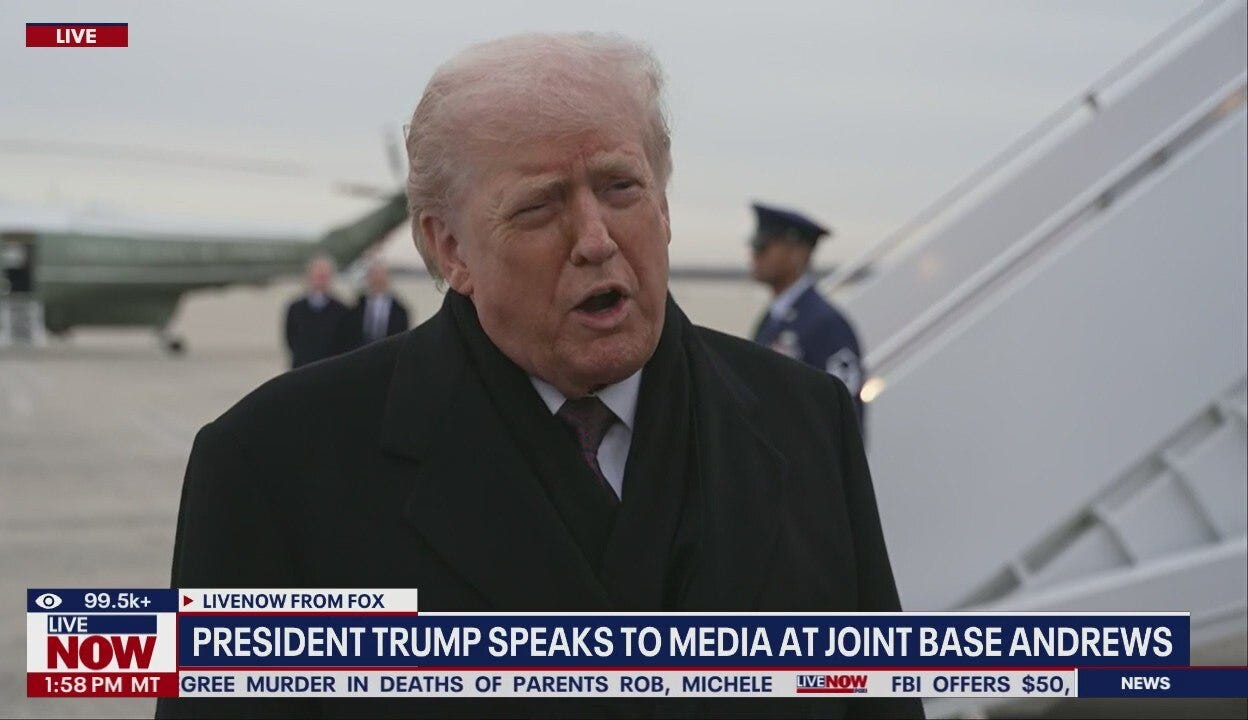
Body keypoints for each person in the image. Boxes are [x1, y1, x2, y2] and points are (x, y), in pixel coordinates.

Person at [161, 33, 919, 719]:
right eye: (539, 207)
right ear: (448, 245)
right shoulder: (273, 466)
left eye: (621, 188)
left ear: (664, 202)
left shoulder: (804, 420)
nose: (595, 239)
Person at [750, 203, 867, 427]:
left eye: (762, 246)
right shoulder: (773, 319)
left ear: (797, 253)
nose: (754, 256)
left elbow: (846, 414)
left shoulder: (826, 324)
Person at [282, 254, 348, 369]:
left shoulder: (342, 310)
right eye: (317, 274)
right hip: (301, 370)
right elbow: (290, 339)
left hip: (331, 371)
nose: (320, 278)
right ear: (309, 275)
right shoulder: (295, 308)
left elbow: (344, 343)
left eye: (324, 275)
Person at [337, 258, 410, 352]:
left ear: (388, 278)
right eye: (374, 275)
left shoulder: (400, 312)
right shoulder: (356, 309)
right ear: (368, 279)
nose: (377, 279)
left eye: (381, 275)